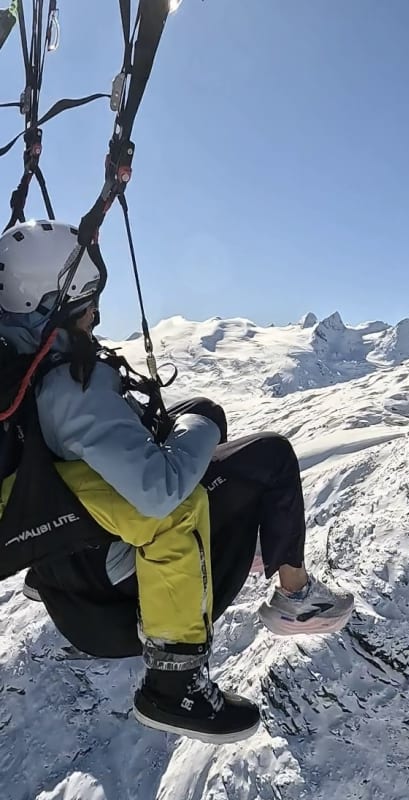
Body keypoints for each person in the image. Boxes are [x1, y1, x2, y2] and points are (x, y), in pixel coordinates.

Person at [0, 219, 354, 743]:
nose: (95, 312)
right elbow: (160, 490)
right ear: (55, 301)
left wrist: (195, 421)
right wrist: (203, 429)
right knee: (272, 455)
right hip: (116, 591)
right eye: (88, 301)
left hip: (68, 569)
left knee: (201, 412)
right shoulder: (69, 385)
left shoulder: (18, 357)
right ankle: (292, 601)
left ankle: (260, 550)